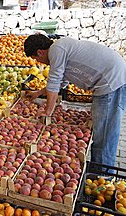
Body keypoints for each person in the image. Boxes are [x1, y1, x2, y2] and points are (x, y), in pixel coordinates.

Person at [24, 34, 126, 167]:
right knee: (102, 130)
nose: (39, 62)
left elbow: (54, 81)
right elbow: (62, 80)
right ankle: (98, 170)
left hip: (111, 81)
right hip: (111, 77)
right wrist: (38, 93)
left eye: (36, 59)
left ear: (40, 52)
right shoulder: (60, 47)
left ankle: (103, 175)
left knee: (105, 133)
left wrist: (48, 111)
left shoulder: (56, 50)